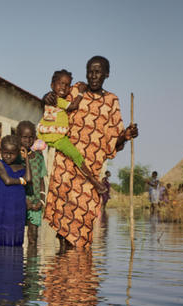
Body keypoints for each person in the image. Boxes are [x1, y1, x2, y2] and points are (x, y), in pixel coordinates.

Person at [43, 55, 138, 250]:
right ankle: (61, 275)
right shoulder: (77, 89)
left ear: (107, 74)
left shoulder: (112, 101)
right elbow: (56, 101)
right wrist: (48, 97)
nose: (93, 76)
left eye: (98, 72)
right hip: (66, 165)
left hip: (90, 172)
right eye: (90, 71)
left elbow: (114, 140)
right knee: (62, 224)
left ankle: (79, 276)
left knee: (82, 226)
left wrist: (126, 135)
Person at [37, 70, 105, 193]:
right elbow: (73, 106)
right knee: (76, 156)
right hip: (58, 138)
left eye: (67, 85)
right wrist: (80, 92)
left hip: (45, 136)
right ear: (52, 85)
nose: (63, 87)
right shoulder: (55, 99)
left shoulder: (51, 98)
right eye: (60, 83)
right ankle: (93, 181)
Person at [0, 135, 31, 246]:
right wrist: (22, 181)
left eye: (12, 153)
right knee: (4, 239)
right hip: (4, 208)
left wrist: (26, 158)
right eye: (5, 153)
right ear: (0, 151)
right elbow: (7, 181)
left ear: (18, 153)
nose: (8, 156)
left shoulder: (21, 167)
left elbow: (28, 179)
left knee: (17, 240)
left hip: (18, 208)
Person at [18, 121, 47, 247]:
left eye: (31, 137)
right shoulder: (15, 158)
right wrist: (24, 200)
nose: (28, 140)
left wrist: (41, 201)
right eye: (24, 137)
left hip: (35, 203)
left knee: (33, 237)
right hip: (19, 202)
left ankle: (32, 265)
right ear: (18, 137)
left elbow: (41, 180)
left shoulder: (39, 158)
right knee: (17, 236)